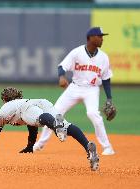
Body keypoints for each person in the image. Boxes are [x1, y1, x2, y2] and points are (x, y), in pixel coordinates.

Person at [34, 27, 115, 155]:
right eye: (99, 36)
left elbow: (106, 79)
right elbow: (62, 66)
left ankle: (107, 147)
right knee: (55, 113)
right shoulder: (77, 52)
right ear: (91, 38)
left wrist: (109, 98)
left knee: (93, 114)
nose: (102, 39)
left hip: (92, 90)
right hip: (75, 87)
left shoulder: (104, 57)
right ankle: (39, 144)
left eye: (102, 36)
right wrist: (61, 77)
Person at [0, 87, 100, 171]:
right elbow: (32, 126)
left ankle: (56, 124)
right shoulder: (24, 101)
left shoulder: (5, 109)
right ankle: (87, 146)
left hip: (28, 110)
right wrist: (30, 146)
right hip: (43, 102)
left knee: (41, 119)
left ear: (4, 99)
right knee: (65, 126)